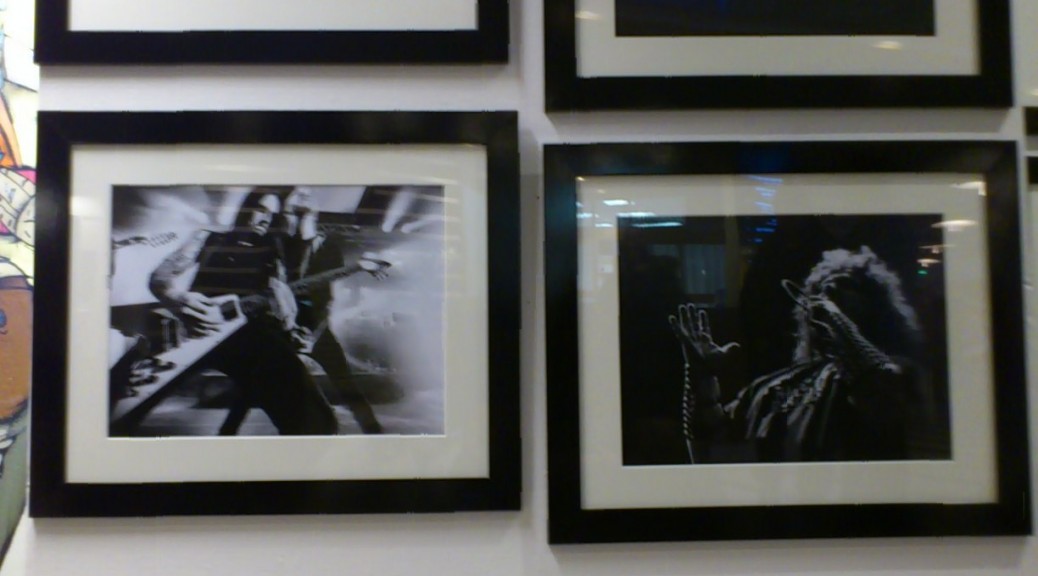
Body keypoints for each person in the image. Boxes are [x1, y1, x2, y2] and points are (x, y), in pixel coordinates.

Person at [670, 246, 929, 464]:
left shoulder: (901, 372)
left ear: (876, 304)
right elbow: (710, 454)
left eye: (848, 285)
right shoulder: (768, 388)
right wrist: (701, 379)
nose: (830, 291)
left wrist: (836, 319)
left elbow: (883, 395)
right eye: (822, 290)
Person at [147, 188, 338, 436]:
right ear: (244, 208)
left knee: (318, 419)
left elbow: (283, 294)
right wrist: (178, 298)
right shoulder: (208, 238)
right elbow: (160, 278)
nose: (266, 219)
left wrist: (292, 328)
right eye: (261, 209)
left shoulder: (272, 253)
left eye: (273, 215)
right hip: (204, 335)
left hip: (252, 339)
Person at [274, 187, 384, 434]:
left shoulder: (327, 247)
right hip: (282, 328)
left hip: (317, 328)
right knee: (257, 389)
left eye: (307, 193)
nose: (304, 193)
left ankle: (375, 434)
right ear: (287, 209)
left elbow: (327, 301)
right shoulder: (279, 246)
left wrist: (312, 336)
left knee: (346, 385)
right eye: (297, 193)